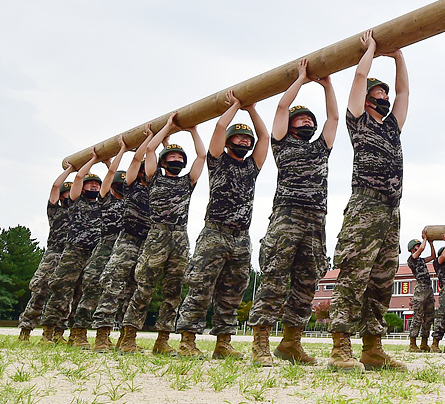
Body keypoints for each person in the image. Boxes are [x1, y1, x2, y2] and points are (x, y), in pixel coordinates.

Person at [327, 30, 409, 373]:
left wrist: (399, 57)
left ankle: (373, 348)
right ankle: (340, 347)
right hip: (365, 206)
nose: (385, 96)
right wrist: (373, 50)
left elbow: (404, 91)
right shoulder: (358, 123)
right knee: (353, 277)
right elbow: (359, 76)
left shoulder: (391, 127)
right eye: (378, 92)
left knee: (381, 279)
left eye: (384, 93)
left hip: (391, 211)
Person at [247, 60, 339, 367]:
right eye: (300, 120)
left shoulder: (320, 148)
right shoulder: (282, 145)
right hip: (287, 215)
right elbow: (281, 109)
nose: (306, 124)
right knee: (274, 277)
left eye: (308, 121)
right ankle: (260, 341)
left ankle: (290, 342)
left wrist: (327, 85)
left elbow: (335, 117)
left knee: (306, 281)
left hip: (316, 220)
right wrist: (300, 79)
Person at [175, 92, 268, 360]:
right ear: (228, 142)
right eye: (238, 137)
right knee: (200, 288)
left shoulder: (252, 167)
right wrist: (237, 105)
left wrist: (252, 110)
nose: (244, 140)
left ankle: (223, 343)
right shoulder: (218, 162)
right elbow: (217, 127)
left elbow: (265, 138)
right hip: (215, 233)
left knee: (233, 292)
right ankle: (188, 341)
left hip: (241, 238)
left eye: (246, 138)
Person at [119, 115, 205, 355]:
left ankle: (163, 340)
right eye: (172, 156)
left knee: (173, 292)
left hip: (179, 238)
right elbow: (148, 150)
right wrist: (167, 129)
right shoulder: (154, 178)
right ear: (164, 161)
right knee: (144, 288)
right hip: (156, 236)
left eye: (180, 157)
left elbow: (201, 157)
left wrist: (193, 131)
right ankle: (128, 337)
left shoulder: (188, 182)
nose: (177, 159)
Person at [92, 131, 156, 351]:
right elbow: (136, 159)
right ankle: (102, 336)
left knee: (136, 291)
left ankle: (127, 339)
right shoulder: (131, 186)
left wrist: (167, 141)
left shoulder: (156, 188)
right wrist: (129, 147)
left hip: (147, 244)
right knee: (113, 287)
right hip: (127, 241)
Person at [68, 143, 128, 348]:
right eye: (116, 183)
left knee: (116, 291)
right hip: (104, 247)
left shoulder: (130, 201)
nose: (120, 185)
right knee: (92, 288)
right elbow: (112, 173)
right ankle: (79, 332)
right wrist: (117, 154)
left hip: (122, 247)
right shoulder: (105, 199)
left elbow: (123, 175)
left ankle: (106, 334)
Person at [40, 153, 105, 343]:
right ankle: (49, 333)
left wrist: (107, 162)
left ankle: (76, 334)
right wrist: (88, 162)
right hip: (73, 252)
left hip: (92, 255)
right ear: (82, 187)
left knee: (84, 294)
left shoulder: (101, 203)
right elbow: (75, 178)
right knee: (61, 291)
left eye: (97, 184)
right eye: (90, 183)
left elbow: (111, 178)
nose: (94, 186)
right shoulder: (76, 202)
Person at [18, 166, 76, 342]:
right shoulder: (55, 210)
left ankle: (57, 333)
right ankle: (26, 330)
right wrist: (71, 170)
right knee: (39, 291)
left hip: (70, 255)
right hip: (53, 254)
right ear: (62, 196)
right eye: (68, 192)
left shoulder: (78, 212)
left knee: (65, 296)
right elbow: (55, 187)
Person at [407, 234, 436, 353]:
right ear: (413, 249)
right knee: (418, 316)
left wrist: (431, 243)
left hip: (428, 288)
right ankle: (412, 343)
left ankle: (424, 343)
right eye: (417, 246)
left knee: (429, 316)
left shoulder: (421, 260)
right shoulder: (412, 259)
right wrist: (425, 239)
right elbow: (422, 249)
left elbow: (433, 256)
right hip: (421, 289)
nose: (419, 247)